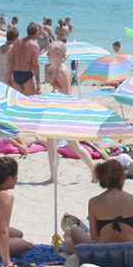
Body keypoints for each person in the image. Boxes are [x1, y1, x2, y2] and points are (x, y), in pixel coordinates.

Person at [67, 159, 133, 261]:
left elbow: (94, 237)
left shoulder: (93, 202)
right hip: (129, 256)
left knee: (74, 230)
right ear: (122, 177)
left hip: (102, 255)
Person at [45, 42, 96, 184]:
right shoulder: (55, 68)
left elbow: (68, 93)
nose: (47, 54)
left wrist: (58, 98)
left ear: (58, 54)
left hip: (63, 111)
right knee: (52, 143)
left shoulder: (62, 70)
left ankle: (94, 171)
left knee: (73, 145)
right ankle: (53, 177)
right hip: (57, 109)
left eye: (50, 52)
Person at [11, 23, 42, 95]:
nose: (39, 33)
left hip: (16, 73)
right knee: (30, 99)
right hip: (27, 74)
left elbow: (11, 59)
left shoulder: (17, 42)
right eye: (38, 31)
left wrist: (10, 75)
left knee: (18, 99)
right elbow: (35, 66)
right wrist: (38, 83)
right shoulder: (35, 46)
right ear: (35, 32)